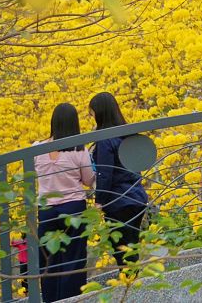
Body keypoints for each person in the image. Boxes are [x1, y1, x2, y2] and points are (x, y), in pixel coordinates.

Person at [34, 103, 95, 302]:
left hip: (46, 210)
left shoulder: (37, 148)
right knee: (73, 258)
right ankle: (71, 299)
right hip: (73, 208)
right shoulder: (79, 150)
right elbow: (88, 180)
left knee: (49, 260)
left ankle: (51, 299)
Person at [89, 92, 148, 269]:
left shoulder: (105, 139)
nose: (92, 119)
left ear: (100, 113)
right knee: (132, 246)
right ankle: (132, 284)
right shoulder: (128, 133)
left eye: (92, 114)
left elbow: (105, 173)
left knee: (121, 249)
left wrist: (99, 200)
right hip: (137, 197)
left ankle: (130, 287)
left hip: (118, 200)